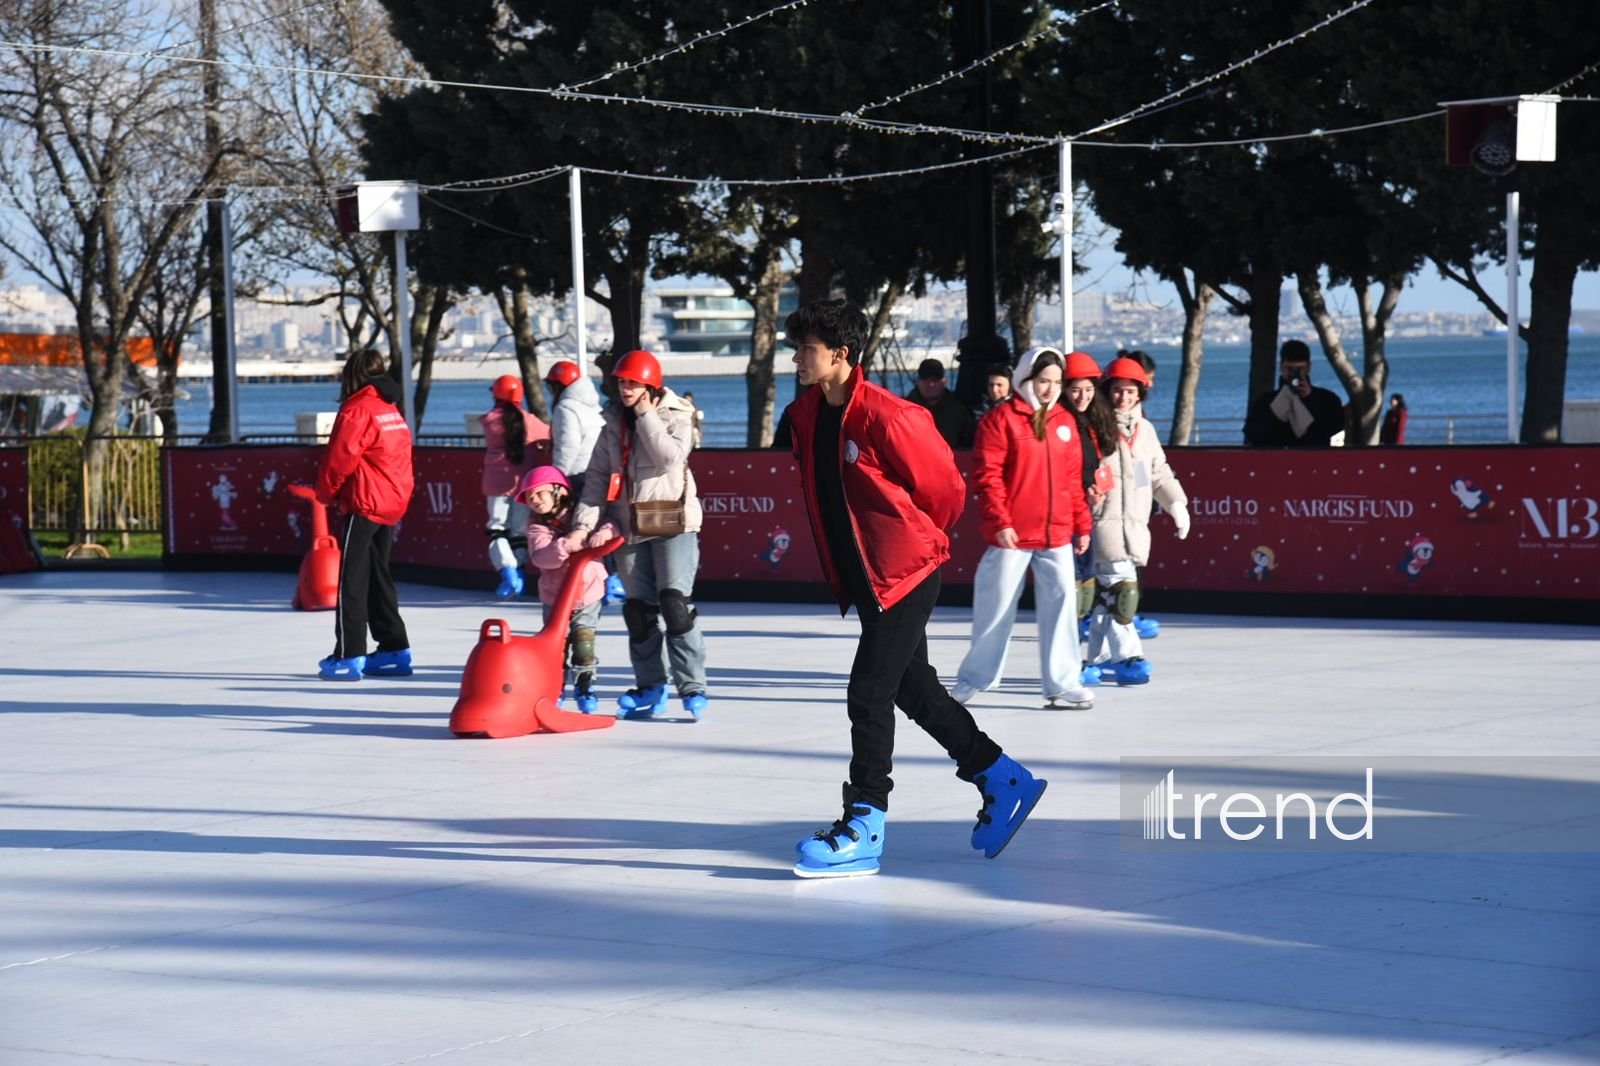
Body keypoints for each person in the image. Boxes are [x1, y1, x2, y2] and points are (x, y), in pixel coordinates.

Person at [782, 298, 1046, 879]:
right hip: (866, 575)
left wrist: (915, 542)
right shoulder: (806, 413)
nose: (796, 357)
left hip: (904, 573)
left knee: (868, 692)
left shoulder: (889, 415)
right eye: (796, 345)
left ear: (842, 355)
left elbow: (947, 489)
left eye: (807, 348)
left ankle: (864, 823)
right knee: (916, 692)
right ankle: (1004, 779)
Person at [951, 346, 1094, 711]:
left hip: (1056, 533)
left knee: (1062, 605)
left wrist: (1082, 524)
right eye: (1043, 381)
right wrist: (1000, 521)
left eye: (1057, 382)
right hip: (1012, 534)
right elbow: (988, 477)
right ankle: (974, 678)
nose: (1050, 389)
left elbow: (1072, 481)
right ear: (1026, 379)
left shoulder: (1064, 422)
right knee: (995, 605)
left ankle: (1063, 683)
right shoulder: (1001, 420)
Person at [574, 349, 709, 720]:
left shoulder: (678, 415)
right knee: (638, 611)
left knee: (675, 606)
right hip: (629, 526)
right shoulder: (610, 425)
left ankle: (693, 686)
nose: (625, 389)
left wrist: (646, 415)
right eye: (621, 382)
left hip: (672, 523)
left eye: (633, 382)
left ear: (650, 384)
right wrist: (584, 525)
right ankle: (651, 685)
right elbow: (597, 480)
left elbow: (669, 458)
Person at [1084, 356, 1190, 685]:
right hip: (1102, 527)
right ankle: (1129, 657)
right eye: (1117, 391)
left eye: (1130, 391)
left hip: (1134, 529)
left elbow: (1154, 474)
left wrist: (1176, 504)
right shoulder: (1095, 426)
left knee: (1106, 600)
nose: (1123, 398)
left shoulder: (1144, 431)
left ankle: (1093, 660)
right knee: (1122, 594)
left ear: (1140, 393)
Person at [313, 348, 414, 681]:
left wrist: (326, 494)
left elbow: (340, 458)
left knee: (351, 580)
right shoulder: (390, 410)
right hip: (391, 500)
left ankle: (349, 653)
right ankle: (393, 647)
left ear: (352, 374)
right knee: (378, 575)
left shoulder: (358, 410)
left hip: (366, 502)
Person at [520, 465, 612, 714]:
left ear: (558, 491)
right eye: (530, 498)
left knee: (584, 641)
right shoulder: (537, 527)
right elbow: (541, 558)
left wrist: (604, 533)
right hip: (555, 596)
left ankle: (585, 687)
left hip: (588, 591)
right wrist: (564, 545)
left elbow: (610, 523)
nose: (535, 501)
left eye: (539, 494)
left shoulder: (580, 516)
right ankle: (554, 689)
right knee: (556, 645)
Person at [481, 374, 550, 598]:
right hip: (524, 484)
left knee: (497, 529)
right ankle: (519, 573)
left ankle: (507, 570)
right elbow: (549, 435)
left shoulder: (490, 420)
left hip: (496, 484)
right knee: (520, 532)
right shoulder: (529, 421)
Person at [1243, 339, 1345, 446]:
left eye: (1300, 368)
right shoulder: (1265, 402)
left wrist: (1310, 399)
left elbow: (1334, 429)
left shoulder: (1327, 400)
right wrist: (1279, 405)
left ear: (1308, 368)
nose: (1294, 373)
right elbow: (1254, 434)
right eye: (1289, 369)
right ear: (1281, 368)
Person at [544, 360, 605, 493]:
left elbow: (568, 446)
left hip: (577, 474)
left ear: (558, 386)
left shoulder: (565, 408)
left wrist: (557, 477)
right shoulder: (592, 406)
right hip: (598, 471)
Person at [904, 357, 975, 448]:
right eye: (926, 380)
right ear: (918, 381)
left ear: (944, 381)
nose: (931, 384)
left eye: (935, 380)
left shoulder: (958, 410)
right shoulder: (904, 410)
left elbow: (968, 444)